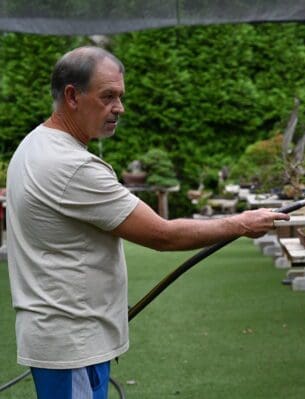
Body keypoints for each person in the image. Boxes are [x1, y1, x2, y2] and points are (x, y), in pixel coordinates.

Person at [6, 46, 289, 399]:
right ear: (72, 96)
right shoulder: (71, 166)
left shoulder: (35, 144)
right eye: (108, 97)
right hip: (72, 343)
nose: (119, 108)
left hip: (62, 335)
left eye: (120, 97)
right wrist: (243, 223)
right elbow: (162, 235)